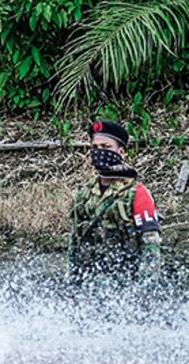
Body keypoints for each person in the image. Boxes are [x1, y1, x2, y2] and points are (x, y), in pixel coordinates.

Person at [68, 120, 162, 286]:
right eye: (95, 148)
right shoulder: (84, 193)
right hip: (89, 286)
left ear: (121, 152)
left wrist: (145, 291)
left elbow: (151, 247)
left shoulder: (137, 193)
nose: (99, 152)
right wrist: (72, 283)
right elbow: (74, 242)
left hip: (126, 285)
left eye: (106, 147)